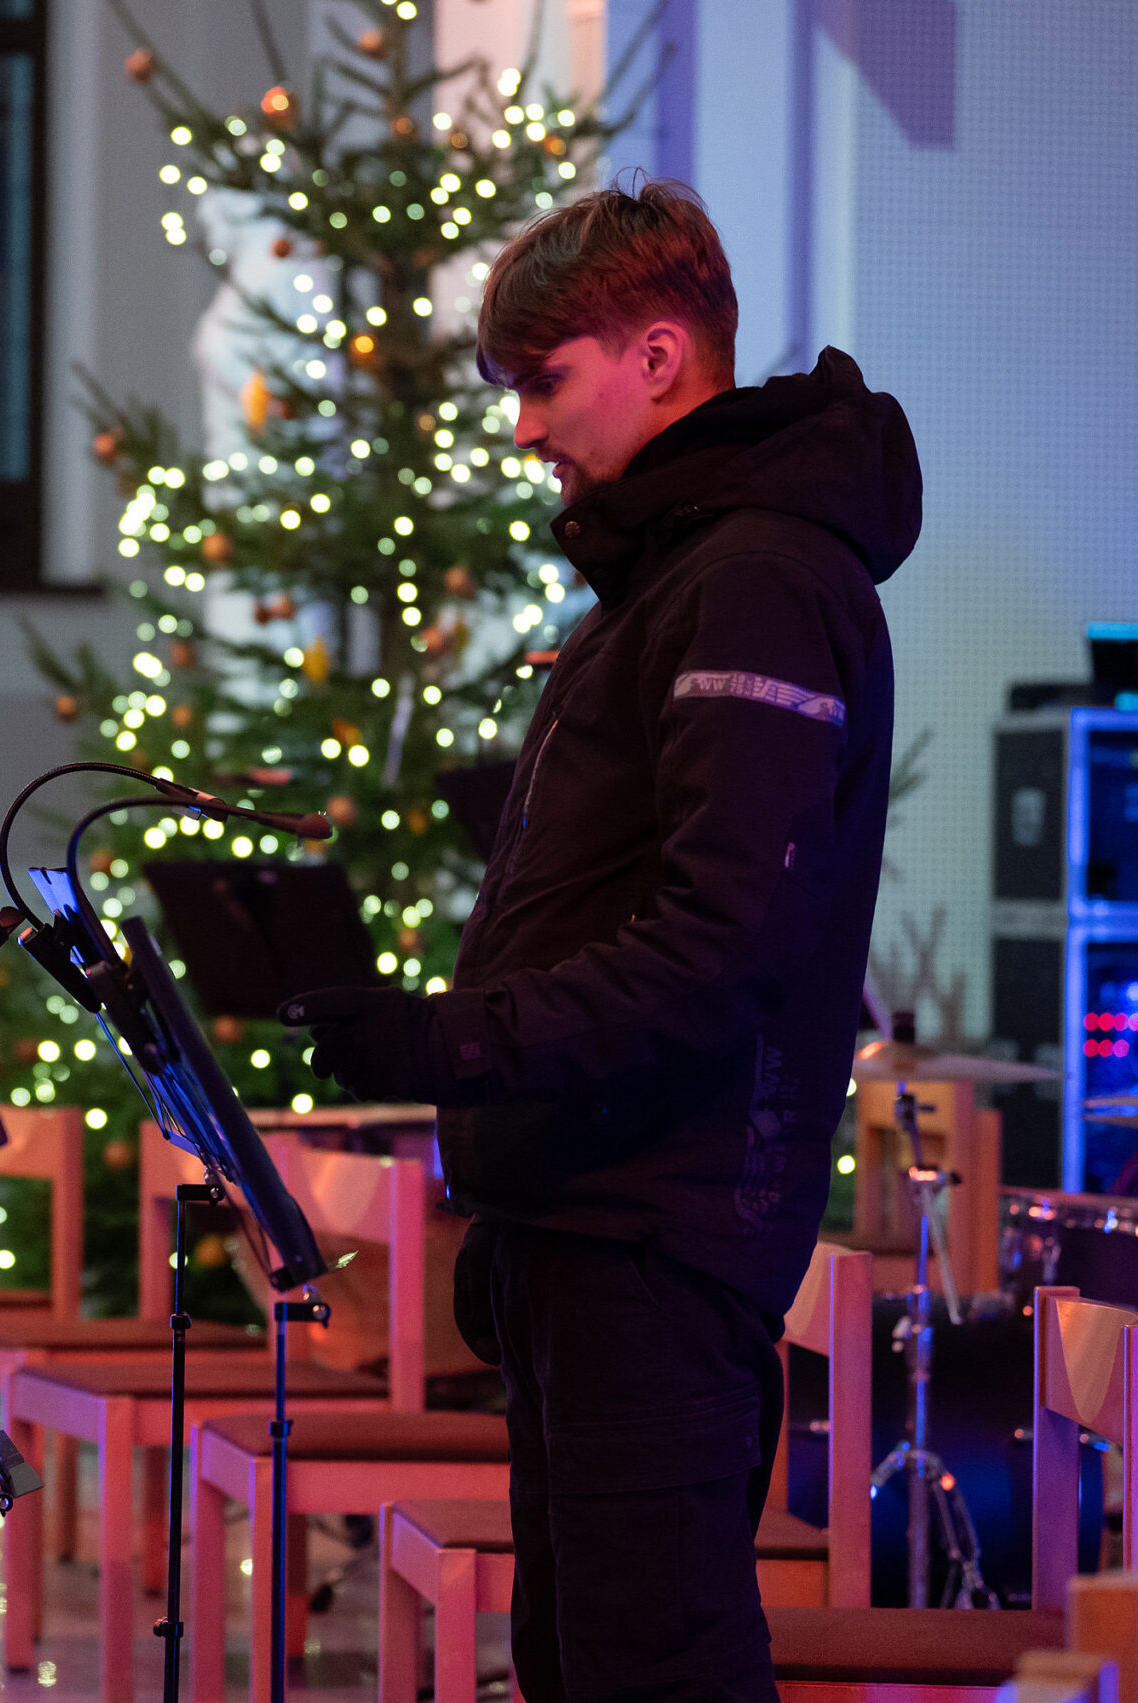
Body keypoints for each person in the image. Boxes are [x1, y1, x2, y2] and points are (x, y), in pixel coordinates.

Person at [281, 182, 918, 1699]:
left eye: (544, 381)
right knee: (578, 1664)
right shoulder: (678, 572)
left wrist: (448, 1042)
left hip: (655, 1232)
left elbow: (723, 943)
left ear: (657, 354)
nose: (524, 429)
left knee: (653, 1670)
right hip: (586, 1220)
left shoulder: (755, 581)